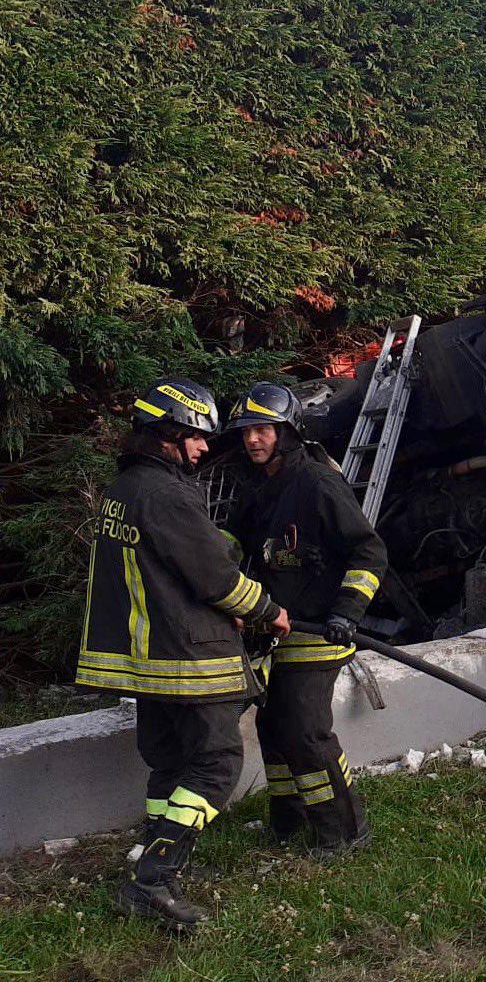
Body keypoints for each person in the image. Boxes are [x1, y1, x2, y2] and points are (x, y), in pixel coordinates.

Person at [76, 378, 290, 931]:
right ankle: (153, 878)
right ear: (167, 433)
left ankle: (154, 848)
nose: (203, 449)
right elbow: (214, 575)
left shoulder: (122, 490)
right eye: (195, 438)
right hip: (187, 653)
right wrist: (267, 609)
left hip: (147, 657)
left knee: (170, 759)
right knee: (217, 760)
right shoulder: (166, 494)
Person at [225, 382, 387, 859]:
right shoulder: (259, 487)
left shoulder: (318, 483)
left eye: (263, 429)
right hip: (279, 627)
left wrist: (347, 611)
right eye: (246, 431)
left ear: (288, 431)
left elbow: (369, 551)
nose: (252, 440)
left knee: (304, 729)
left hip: (320, 627)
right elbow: (233, 543)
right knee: (273, 725)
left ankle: (344, 829)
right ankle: (289, 820)